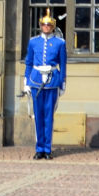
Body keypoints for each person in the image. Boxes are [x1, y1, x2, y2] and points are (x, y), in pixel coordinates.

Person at [24, 11, 67, 160]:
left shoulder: (60, 43)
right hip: (36, 80)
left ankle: (47, 149)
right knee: (38, 116)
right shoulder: (33, 41)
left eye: (48, 25)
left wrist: (63, 83)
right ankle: (39, 148)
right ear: (40, 26)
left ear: (53, 26)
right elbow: (29, 62)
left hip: (52, 81)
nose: (46, 27)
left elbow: (63, 64)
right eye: (43, 24)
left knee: (48, 117)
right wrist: (26, 82)